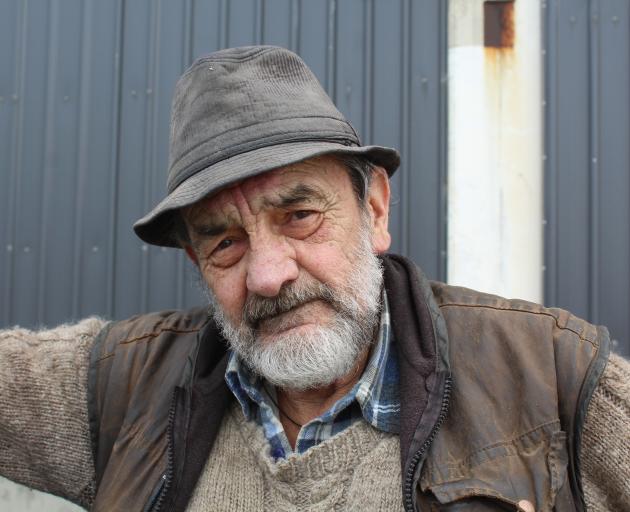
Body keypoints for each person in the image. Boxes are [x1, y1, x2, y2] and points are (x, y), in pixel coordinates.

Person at [0, 46, 628, 512]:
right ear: (196, 262)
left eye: (299, 216)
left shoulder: (553, 379)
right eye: (225, 242)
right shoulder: (123, 390)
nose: (269, 276)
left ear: (375, 210)